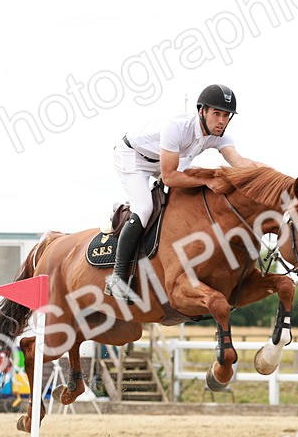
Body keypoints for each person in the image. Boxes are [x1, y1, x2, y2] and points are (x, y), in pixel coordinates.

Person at [106, 83, 260, 302]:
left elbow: (239, 161)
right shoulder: (176, 127)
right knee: (145, 207)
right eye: (216, 114)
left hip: (168, 159)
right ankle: (117, 278)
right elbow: (169, 177)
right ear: (201, 111)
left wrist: (270, 176)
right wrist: (208, 180)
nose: (221, 121)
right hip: (133, 157)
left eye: (226, 115)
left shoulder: (220, 136)